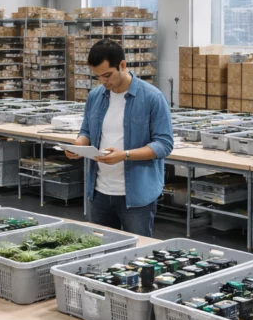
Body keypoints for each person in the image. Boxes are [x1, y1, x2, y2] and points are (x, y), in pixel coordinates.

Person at [65, 39, 173, 237]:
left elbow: (164, 145)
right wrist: (79, 145)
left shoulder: (152, 98)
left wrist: (125, 155)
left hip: (136, 197)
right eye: (98, 77)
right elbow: (86, 131)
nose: (104, 81)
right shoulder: (96, 96)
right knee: (99, 252)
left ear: (122, 65)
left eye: (107, 75)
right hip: (99, 193)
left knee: (138, 255)